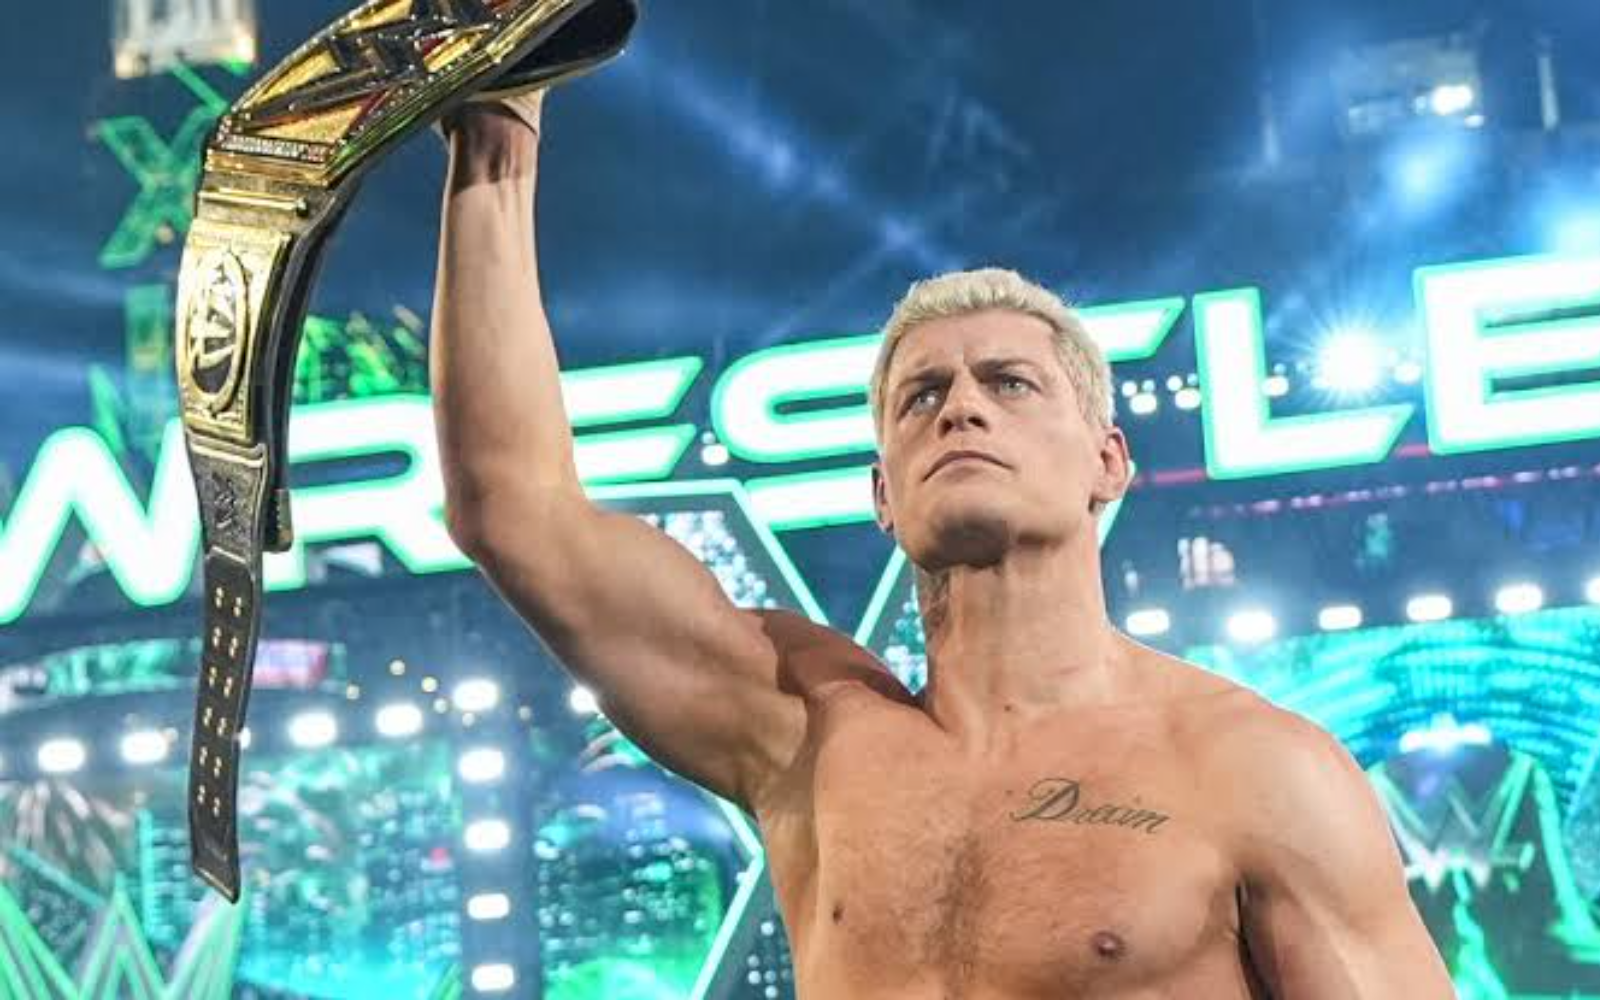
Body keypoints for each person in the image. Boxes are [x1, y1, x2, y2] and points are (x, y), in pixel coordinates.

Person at [429, 90, 1457, 998]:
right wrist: (498, 131)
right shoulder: (808, 734)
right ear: (883, 494)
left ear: (1108, 461)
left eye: (1009, 383)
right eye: (921, 397)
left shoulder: (1253, 768)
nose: (961, 408)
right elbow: (513, 512)